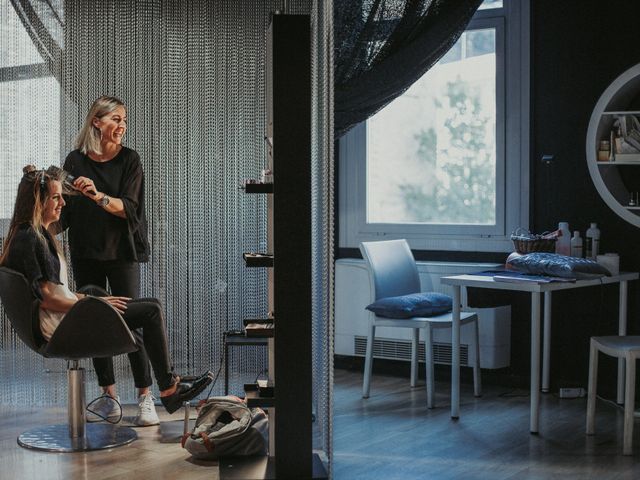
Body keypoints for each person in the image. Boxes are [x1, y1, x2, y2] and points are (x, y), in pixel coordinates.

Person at [0, 165, 211, 415]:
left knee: (96, 292)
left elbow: (55, 292)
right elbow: (48, 297)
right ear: (38, 201)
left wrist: (94, 299)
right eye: (55, 197)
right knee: (151, 309)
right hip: (60, 328)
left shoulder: (28, 234)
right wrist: (97, 304)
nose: (62, 204)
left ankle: (165, 384)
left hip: (62, 320)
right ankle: (169, 390)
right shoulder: (32, 238)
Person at [61, 96, 157, 425]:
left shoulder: (130, 160)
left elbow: (129, 209)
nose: (122, 126)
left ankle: (145, 396)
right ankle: (108, 396)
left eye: (124, 120)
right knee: (96, 321)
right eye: (116, 119)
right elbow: (66, 213)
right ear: (97, 122)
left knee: (131, 321)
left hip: (121, 253)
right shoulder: (74, 161)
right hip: (85, 252)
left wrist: (96, 195)